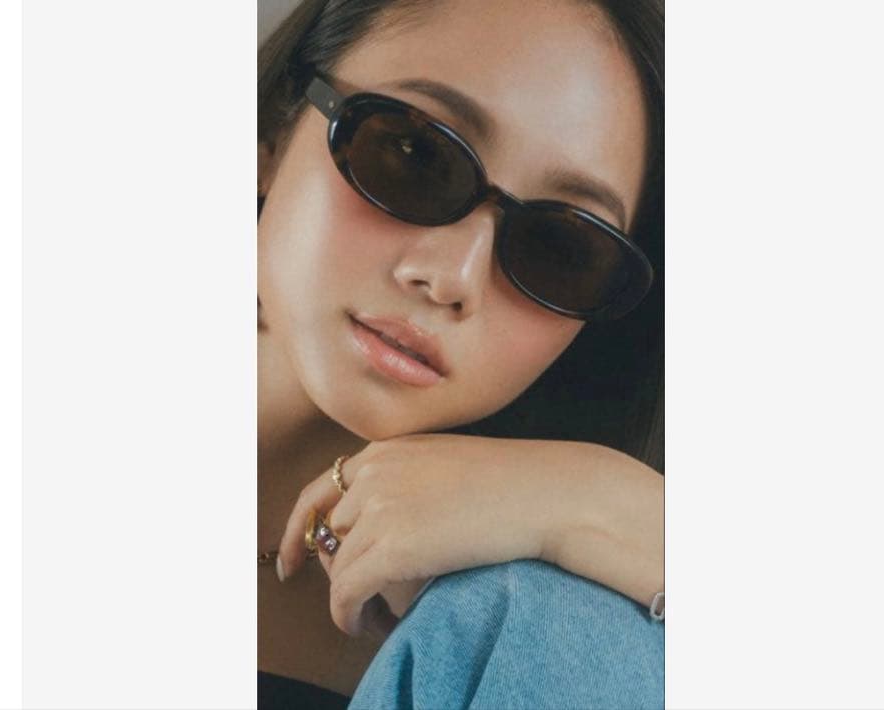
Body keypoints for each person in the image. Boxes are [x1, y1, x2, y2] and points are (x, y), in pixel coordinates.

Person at [256, 0, 666, 707]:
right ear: (270, 130)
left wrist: (606, 502)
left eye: (563, 246)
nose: (454, 279)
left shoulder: (530, 632)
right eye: (415, 156)